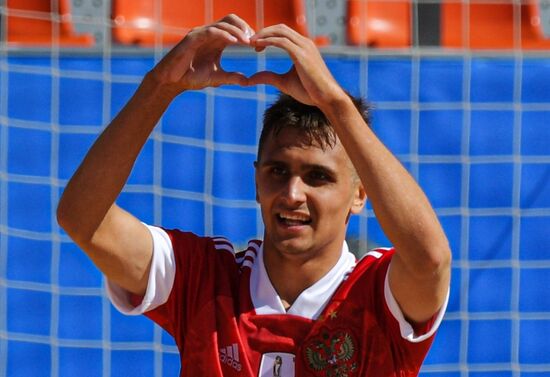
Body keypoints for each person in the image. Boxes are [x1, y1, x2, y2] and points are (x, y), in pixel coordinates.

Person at [57, 14, 451, 376]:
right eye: (278, 171)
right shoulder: (204, 277)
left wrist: (336, 104)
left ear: (359, 195)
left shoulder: (378, 293)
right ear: (256, 181)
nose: (293, 193)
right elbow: (82, 219)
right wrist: (158, 87)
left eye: (318, 177)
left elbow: (431, 259)